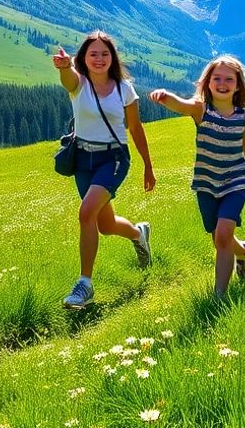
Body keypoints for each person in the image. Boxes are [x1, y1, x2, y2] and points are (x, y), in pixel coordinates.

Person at [53, 31, 155, 309]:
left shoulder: (124, 90)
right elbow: (68, 79)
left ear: (113, 58)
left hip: (114, 159)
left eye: (105, 53)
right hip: (83, 159)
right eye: (93, 54)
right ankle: (138, 234)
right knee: (104, 225)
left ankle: (84, 285)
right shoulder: (78, 84)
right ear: (83, 58)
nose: (99, 59)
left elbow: (135, 128)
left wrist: (148, 165)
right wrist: (65, 68)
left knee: (86, 212)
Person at [149, 55, 245, 298]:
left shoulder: (244, 118)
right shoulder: (201, 110)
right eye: (217, 78)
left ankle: (219, 296)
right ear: (208, 83)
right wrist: (163, 95)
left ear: (238, 85)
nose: (222, 84)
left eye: (229, 79)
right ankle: (244, 252)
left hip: (236, 181)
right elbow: (180, 104)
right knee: (218, 238)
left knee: (223, 235)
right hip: (206, 184)